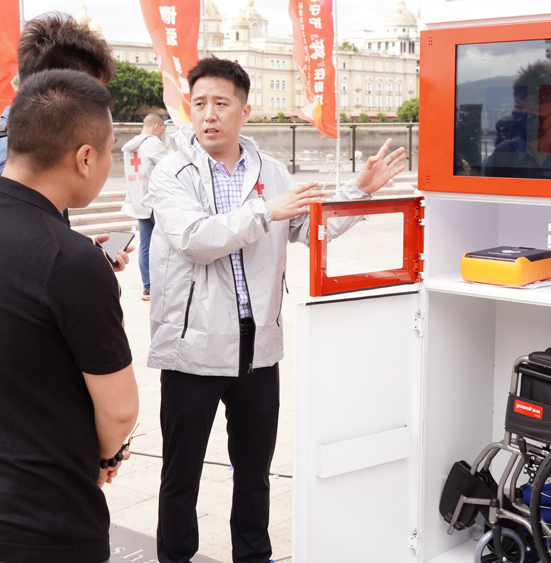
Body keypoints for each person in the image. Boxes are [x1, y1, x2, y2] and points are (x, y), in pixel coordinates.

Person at [147, 57, 406, 563]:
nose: (209, 115)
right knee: (181, 475)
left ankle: (253, 556)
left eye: (221, 103)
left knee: (254, 473)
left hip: (257, 348)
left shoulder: (272, 171)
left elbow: (309, 227)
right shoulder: (172, 171)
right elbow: (195, 238)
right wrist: (267, 211)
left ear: (245, 110)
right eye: (199, 104)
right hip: (192, 349)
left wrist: (357, 191)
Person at [0, 69, 139, 563]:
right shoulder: (71, 261)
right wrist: (105, 455)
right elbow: (121, 409)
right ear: (85, 157)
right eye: (109, 152)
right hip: (37, 524)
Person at [0, 12, 117, 208]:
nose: (99, 109)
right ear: (60, 91)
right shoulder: (9, 164)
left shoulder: (15, 147)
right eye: (94, 95)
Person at [120, 113, 168, 301]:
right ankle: (165, 285)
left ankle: (148, 287)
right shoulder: (153, 144)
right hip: (156, 202)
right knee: (167, 244)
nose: (161, 135)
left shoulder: (130, 148)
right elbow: (169, 169)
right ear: (156, 127)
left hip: (139, 201)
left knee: (145, 245)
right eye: (162, 130)